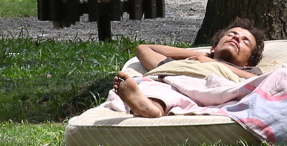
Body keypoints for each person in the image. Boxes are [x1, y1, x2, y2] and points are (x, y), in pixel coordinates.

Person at [110, 19, 267, 119]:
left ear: (248, 62)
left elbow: (258, 82)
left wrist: (208, 61)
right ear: (214, 47)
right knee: (158, 87)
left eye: (245, 42)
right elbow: (144, 49)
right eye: (232, 34)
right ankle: (149, 108)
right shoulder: (182, 63)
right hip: (176, 82)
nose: (236, 38)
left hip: (215, 87)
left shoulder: (248, 72)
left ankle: (149, 106)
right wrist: (199, 55)